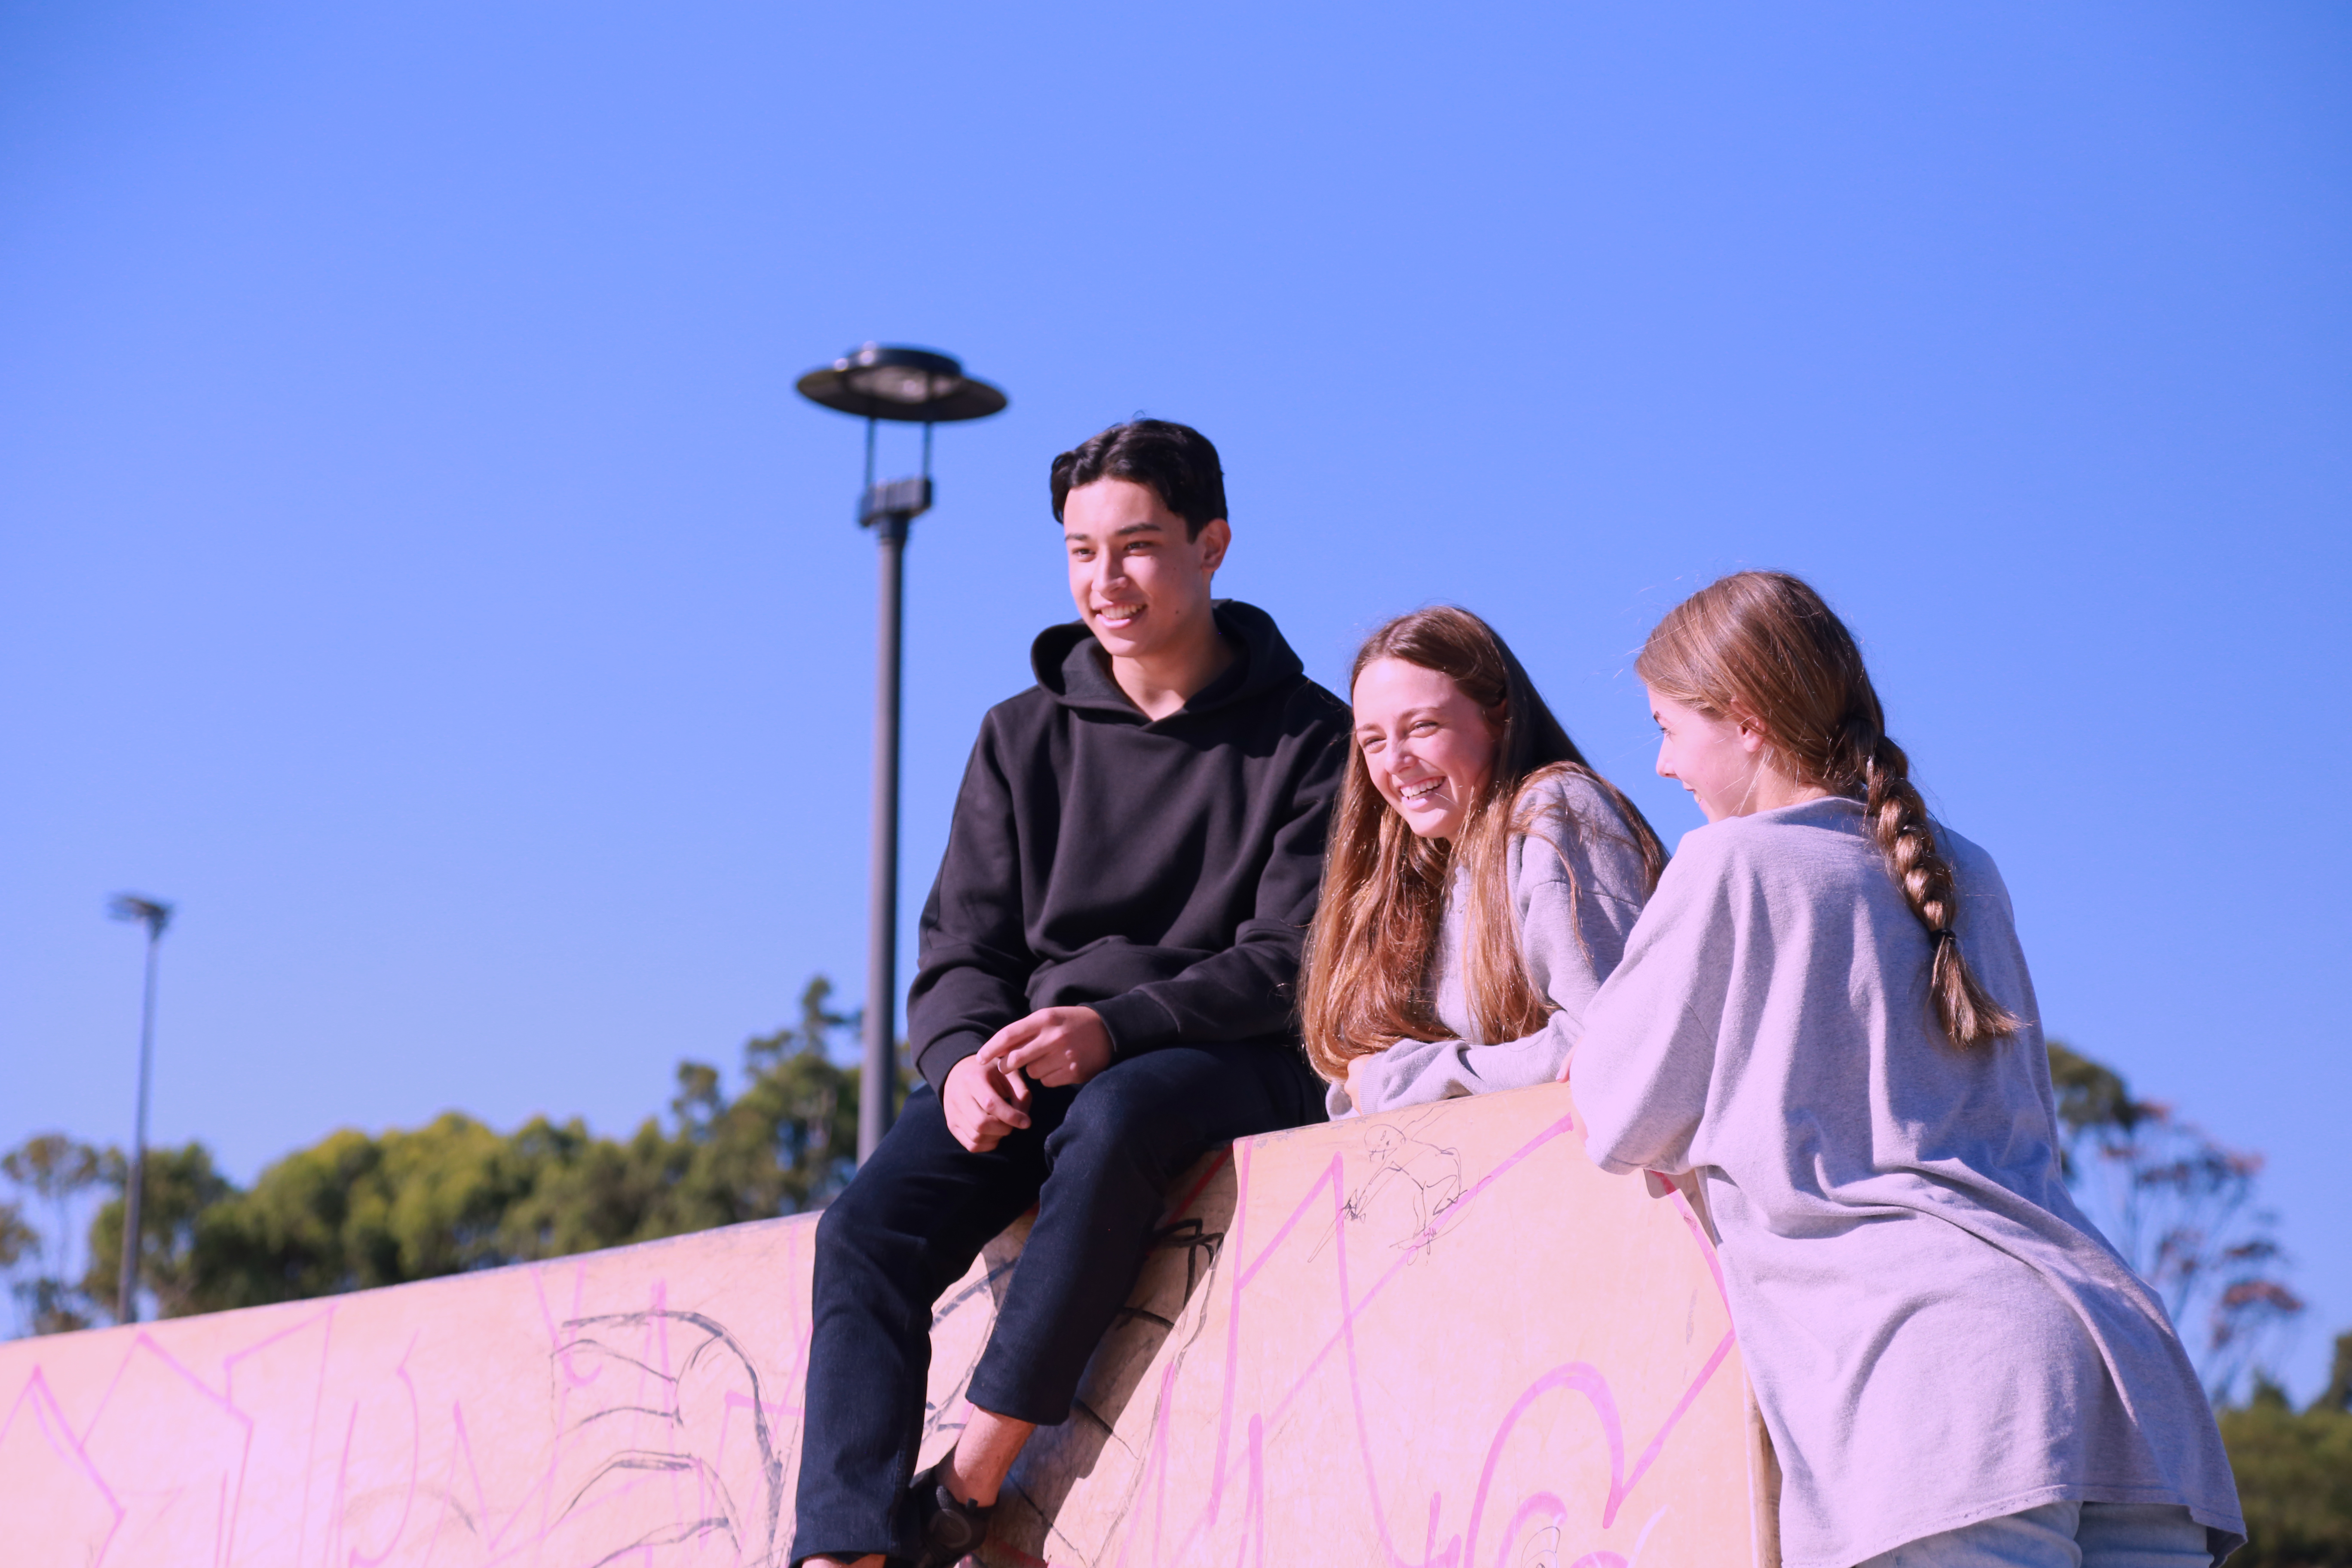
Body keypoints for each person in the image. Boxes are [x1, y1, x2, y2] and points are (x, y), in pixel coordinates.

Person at [1569, 571, 2244, 1568]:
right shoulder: (1967, 869)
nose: (1662, 764)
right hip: (2126, 1378)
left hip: (1937, 1396)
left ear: (1745, 720)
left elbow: (1616, 1116)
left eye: (1668, 728)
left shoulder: (1729, 866)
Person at [790, 420, 1348, 1568]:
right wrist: (959, 1063)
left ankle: (969, 1484)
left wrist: (1116, 1027)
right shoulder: (1020, 736)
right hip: (1038, 1059)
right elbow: (960, 948)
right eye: (1080, 552)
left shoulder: (1311, 738)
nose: (1105, 580)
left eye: (1136, 547)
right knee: (867, 1227)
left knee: (1119, 1113)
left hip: (1228, 1054)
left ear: (1211, 545)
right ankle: (843, 1549)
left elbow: (1290, 956)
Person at [1304, 606, 1663, 1118]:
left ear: (1499, 717)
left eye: (1422, 726)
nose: (1395, 762)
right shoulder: (1416, 871)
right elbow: (1357, 1086)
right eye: (1374, 741)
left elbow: (1610, 1042)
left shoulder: (1555, 812)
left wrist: (1408, 1079)